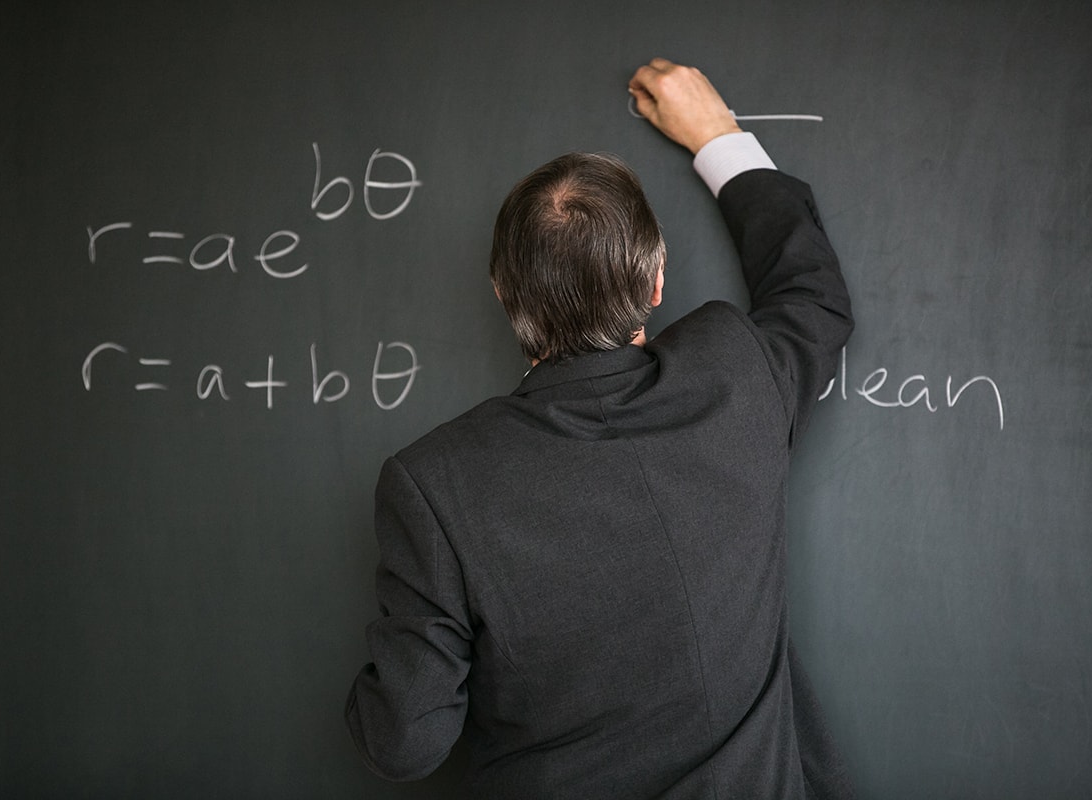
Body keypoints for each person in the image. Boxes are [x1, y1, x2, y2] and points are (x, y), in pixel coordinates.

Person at [346, 58, 855, 799]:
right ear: (656, 281)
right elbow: (813, 293)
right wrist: (717, 136)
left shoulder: (435, 485)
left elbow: (404, 743)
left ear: (502, 292)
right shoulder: (735, 378)